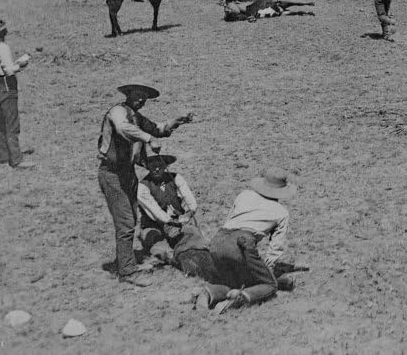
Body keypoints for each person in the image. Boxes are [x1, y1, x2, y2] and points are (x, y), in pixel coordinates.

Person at [98, 82, 193, 287]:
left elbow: (158, 129)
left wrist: (177, 121)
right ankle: (127, 271)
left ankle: (126, 262)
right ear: (128, 94)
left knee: (131, 219)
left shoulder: (136, 116)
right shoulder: (118, 112)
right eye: (138, 95)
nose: (141, 100)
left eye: (145, 98)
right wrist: (149, 139)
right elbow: (124, 129)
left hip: (128, 173)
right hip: (113, 174)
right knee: (125, 222)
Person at [195, 167, 297, 314]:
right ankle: (239, 299)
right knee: (270, 285)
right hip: (242, 243)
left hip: (219, 240)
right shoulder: (281, 212)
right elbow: (276, 246)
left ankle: (208, 293)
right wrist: (268, 266)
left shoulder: (244, 195)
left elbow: (230, 218)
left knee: (233, 282)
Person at [137, 153, 214, 277]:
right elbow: (155, 212)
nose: (157, 169)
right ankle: (175, 260)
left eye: (160, 165)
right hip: (154, 226)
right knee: (158, 248)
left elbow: (190, 201)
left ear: (165, 165)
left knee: (193, 236)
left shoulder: (176, 178)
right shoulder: (142, 186)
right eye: (153, 165)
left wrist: (188, 214)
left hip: (178, 223)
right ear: (147, 166)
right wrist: (172, 222)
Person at [0, 19, 33, 169]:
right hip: (7, 85)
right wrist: (21, 65)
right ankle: (17, 160)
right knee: (12, 123)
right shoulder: (3, 47)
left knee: (2, 122)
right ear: (3, 31)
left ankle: (4, 155)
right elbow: (9, 70)